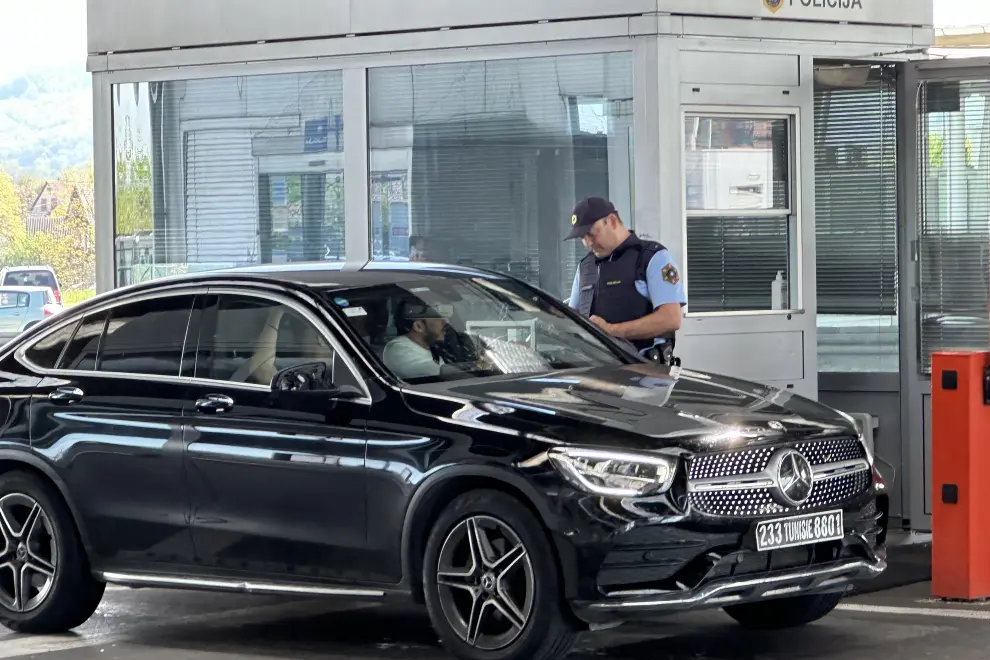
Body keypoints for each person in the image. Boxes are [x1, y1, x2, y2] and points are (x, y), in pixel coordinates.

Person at [565, 196, 687, 363]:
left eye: (591, 233)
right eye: (582, 237)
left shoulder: (652, 257)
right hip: (597, 373)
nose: (587, 243)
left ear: (612, 221)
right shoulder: (586, 267)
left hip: (646, 375)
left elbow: (671, 319)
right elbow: (573, 320)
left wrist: (611, 331)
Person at [382, 298, 451, 379]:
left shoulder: (432, 348)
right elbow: (446, 377)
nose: (446, 321)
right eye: (437, 316)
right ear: (419, 326)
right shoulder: (398, 350)